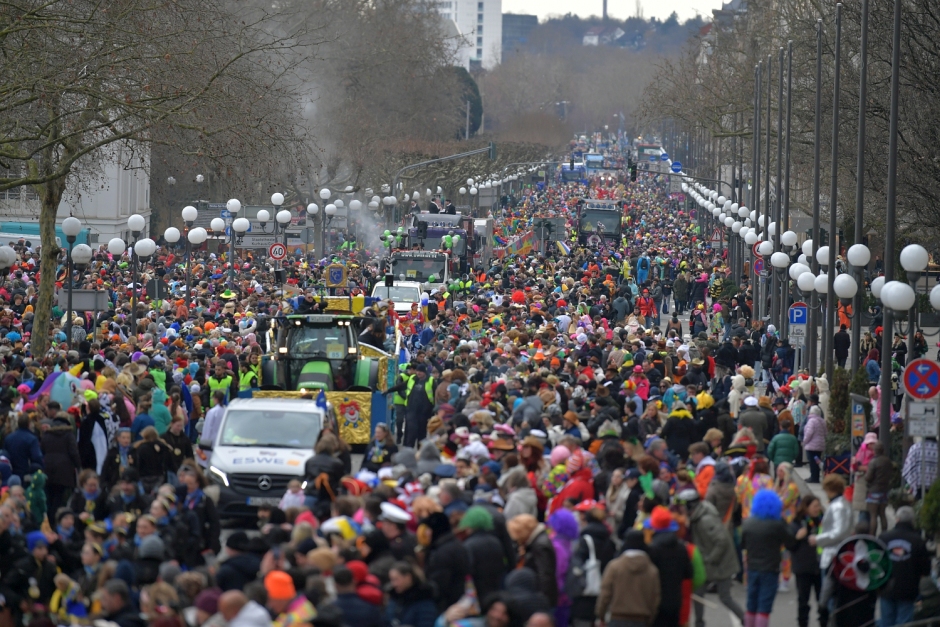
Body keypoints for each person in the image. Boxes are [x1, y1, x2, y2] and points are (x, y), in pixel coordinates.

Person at [676, 488, 744, 624]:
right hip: (711, 563)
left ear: (690, 506)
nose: (681, 509)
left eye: (683, 506)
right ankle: (699, 622)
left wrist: (710, 559)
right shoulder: (698, 516)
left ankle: (745, 619)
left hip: (721, 564)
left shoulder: (705, 520)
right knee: (698, 593)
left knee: (725, 597)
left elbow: (721, 541)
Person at [740, 490, 796, 627]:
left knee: (751, 604)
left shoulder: (747, 523)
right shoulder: (777, 525)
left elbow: (742, 544)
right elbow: (790, 542)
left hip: (752, 567)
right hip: (770, 568)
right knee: (764, 606)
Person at [878, 506, 931, 626]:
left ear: (897, 519)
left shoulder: (883, 537)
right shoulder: (918, 541)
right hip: (908, 590)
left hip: (886, 588)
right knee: (904, 623)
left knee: (886, 621)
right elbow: (926, 570)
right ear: (912, 522)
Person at [596, 529, 661, 627]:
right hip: (641, 619)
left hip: (617, 618)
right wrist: (650, 619)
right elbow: (655, 598)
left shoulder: (614, 567)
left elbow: (605, 593)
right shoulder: (652, 570)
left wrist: (601, 615)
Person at [790, 496, 826, 627]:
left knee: (823, 600)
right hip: (803, 568)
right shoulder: (797, 522)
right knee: (803, 601)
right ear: (806, 507)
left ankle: (824, 622)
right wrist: (797, 537)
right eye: (815, 506)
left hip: (820, 566)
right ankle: (803, 623)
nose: (817, 508)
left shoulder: (823, 521)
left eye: (818, 505)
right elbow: (790, 545)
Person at [386, 561, 437, 627]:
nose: (393, 584)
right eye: (391, 580)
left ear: (408, 577)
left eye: (396, 579)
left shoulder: (423, 598)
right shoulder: (394, 598)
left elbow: (426, 623)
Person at [864, 441, 892, 535]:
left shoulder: (873, 462)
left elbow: (868, 477)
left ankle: (872, 536)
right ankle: (884, 534)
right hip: (885, 490)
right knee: (883, 514)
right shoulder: (887, 461)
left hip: (874, 490)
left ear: (875, 451)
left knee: (873, 515)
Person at [801, 406, 827, 483]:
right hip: (820, 445)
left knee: (812, 462)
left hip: (811, 445)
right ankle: (817, 476)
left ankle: (813, 477)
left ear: (811, 412)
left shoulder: (811, 421)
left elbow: (809, 433)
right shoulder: (822, 421)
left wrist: (804, 441)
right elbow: (826, 433)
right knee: (817, 461)